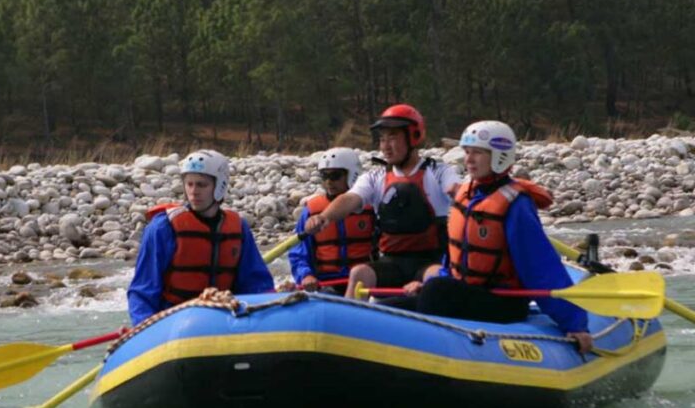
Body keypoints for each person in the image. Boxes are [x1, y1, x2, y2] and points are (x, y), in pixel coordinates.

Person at [397, 120, 593, 353]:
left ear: (500, 156)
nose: (468, 159)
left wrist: (574, 323)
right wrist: (427, 282)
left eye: (477, 153)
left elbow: (541, 268)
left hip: (503, 302)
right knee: (397, 303)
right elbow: (453, 260)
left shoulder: (515, 205)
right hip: (467, 293)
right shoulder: (466, 194)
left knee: (436, 291)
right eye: (467, 152)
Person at [304, 104, 460, 297]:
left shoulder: (438, 171)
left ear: (414, 137)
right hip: (392, 263)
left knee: (436, 278)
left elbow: (456, 190)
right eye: (382, 139)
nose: (385, 146)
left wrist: (459, 193)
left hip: (430, 261)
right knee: (359, 272)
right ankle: (348, 320)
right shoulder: (375, 177)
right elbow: (350, 199)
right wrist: (324, 217)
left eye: (392, 137)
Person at [127, 149, 275, 326]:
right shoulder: (163, 228)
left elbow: (256, 283)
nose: (193, 192)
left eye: (201, 185)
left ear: (219, 186)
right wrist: (144, 325)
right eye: (189, 184)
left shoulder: (238, 227)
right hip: (174, 321)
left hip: (223, 316)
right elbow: (143, 290)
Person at [288, 148, 375, 294]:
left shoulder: (370, 208)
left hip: (364, 281)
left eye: (335, 176)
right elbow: (299, 251)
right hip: (327, 282)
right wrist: (306, 275)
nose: (329, 182)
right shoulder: (312, 210)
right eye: (324, 176)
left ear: (352, 174)